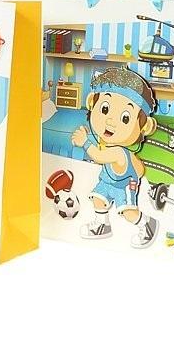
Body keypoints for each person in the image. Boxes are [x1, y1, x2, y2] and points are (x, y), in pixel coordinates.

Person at [72, 67, 160, 248]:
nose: (111, 121)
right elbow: (137, 168)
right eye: (105, 109)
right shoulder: (107, 144)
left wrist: (85, 143)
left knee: (128, 213)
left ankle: (147, 224)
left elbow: (99, 156)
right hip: (107, 181)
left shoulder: (118, 151)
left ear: (144, 127)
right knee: (98, 199)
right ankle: (102, 225)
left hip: (123, 187)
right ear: (92, 103)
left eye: (125, 118)